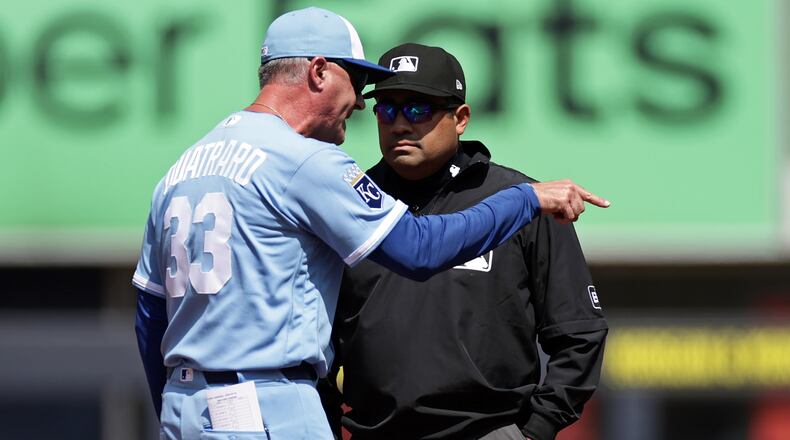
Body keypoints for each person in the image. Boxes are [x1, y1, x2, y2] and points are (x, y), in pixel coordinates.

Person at [132, 8, 610, 440]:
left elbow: (151, 318)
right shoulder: (308, 163)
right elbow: (419, 250)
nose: (362, 104)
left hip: (186, 409)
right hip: (270, 405)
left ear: (460, 118)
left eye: (418, 109)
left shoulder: (185, 166)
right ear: (319, 71)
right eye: (366, 88)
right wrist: (524, 200)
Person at [321, 44, 609, 440]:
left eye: (418, 110)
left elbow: (580, 332)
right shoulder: (351, 203)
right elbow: (318, 339)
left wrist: (534, 430)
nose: (400, 124)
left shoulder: (525, 200)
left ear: (460, 118)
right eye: (386, 109)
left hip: (487, 430)